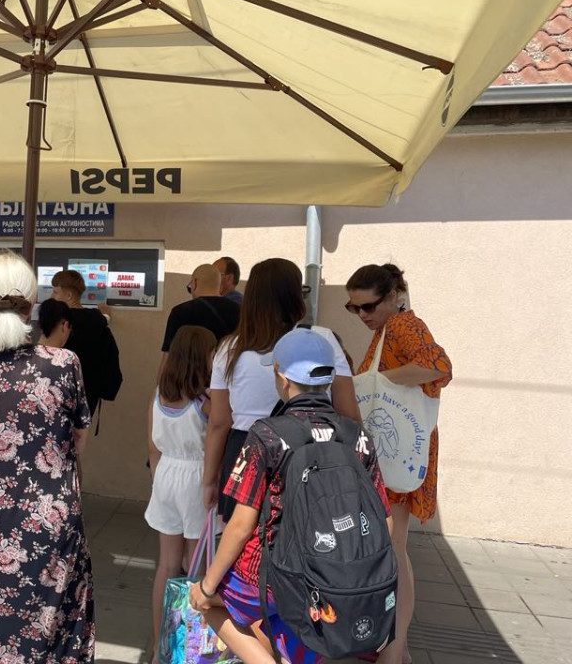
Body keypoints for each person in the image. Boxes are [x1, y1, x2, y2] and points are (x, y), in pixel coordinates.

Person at [188, 327, 392, 664]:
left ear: (281, 377)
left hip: (263, 572)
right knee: (302, 630)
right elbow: (383, 518)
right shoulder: (357, 435)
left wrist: (207, 586)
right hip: (328, 574)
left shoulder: (267, 435)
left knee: (207, 604)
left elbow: (240, 525)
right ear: (329, 378)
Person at [0, 251, 95, 663]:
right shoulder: (64, 364)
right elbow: (78, 441)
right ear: (33, 305)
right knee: (54, 641)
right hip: (51, 528)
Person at [346, 264, 452, 664]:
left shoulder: (405, 326)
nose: (362, 315)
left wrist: (386, 380)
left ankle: (394, 650)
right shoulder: (388, 329)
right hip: (396, 456)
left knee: (393, 551)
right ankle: (395, 646)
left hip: (398, 458)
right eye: (354, 307)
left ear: (393, 297)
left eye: (368, 306)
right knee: (391, 550)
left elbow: (439, 366)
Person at [205, 258, 359, 522]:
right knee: (305, 534)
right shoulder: (322, 338)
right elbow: (348, 414)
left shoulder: (229, 348)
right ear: (295, 296)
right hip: (309, 450)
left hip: (244, 452)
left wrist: (209, 480)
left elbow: (219, 422)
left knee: (244, 537)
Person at [145, 325, 217, 662]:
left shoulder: (159, 395)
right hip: (196, 479)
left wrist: (157, 484)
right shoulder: (206, 402)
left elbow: (152, 447)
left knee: (166, 565)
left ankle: (159, 648)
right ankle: (189, 649)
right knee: (196, 570)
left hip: (165, 476)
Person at [51, 269, 122, 416]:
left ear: (69, 296)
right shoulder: (97, 321)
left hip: (61, 389)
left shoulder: (59, 322)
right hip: (90, 392)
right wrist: (105, 315)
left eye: (55, 292)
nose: (52, 297)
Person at [160, 264, 239, 376]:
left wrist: (160, 385)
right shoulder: (239, 310)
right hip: (226, 378)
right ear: (219, 285)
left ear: (194, 283)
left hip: (189, 381)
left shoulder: (180, 312)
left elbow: (169, 357)